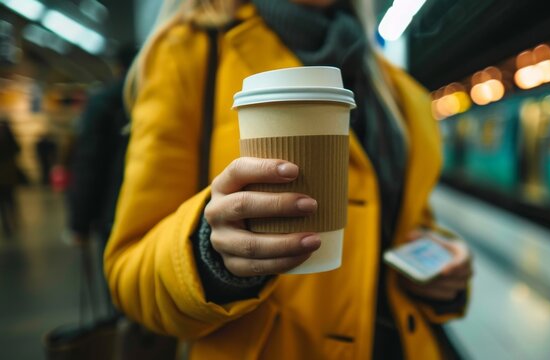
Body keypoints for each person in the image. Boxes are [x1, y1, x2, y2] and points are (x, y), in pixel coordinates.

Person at [105, 1, 473, 359]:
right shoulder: (190, 51)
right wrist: (209, 255)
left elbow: (411, 226)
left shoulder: (399, 90)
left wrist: (443, 276)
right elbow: (127, 274)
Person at [67, 45, 137, 317]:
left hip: (112, 212)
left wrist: (79, 224)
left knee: (119, 289)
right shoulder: (162, 95)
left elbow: (88, 165)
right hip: (161, 211)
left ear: (118, 67)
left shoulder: (103, 101)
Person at [0, 117, 21, 238]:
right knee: (7, 200)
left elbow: (18, 149)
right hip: (8, 175)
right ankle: (9, 222)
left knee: (8, 199)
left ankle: (11, 221)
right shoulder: (10, 138)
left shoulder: (9, 139)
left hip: (8, 175)